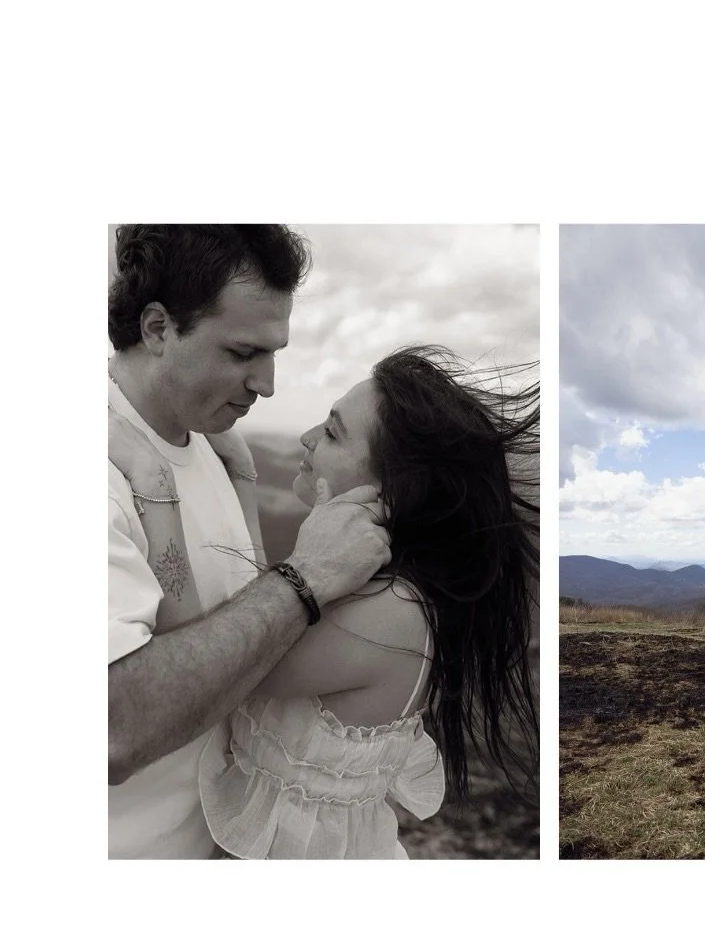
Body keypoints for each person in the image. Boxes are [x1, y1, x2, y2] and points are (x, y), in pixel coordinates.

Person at [113, 346, 540, 859]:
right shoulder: (382, 588)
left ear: (392, 491)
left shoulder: (389, 615)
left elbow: (209, 664)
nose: (307, 438)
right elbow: (265, 606)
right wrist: (245, 478)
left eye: (334, 432)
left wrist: (154, 483)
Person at [108, 224, 391, 859]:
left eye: (273, 353)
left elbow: (229, 623)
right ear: (158, 329)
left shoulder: (204, 440)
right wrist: (305, 580)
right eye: (242, 353)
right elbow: (110, 727)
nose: (266, 384)